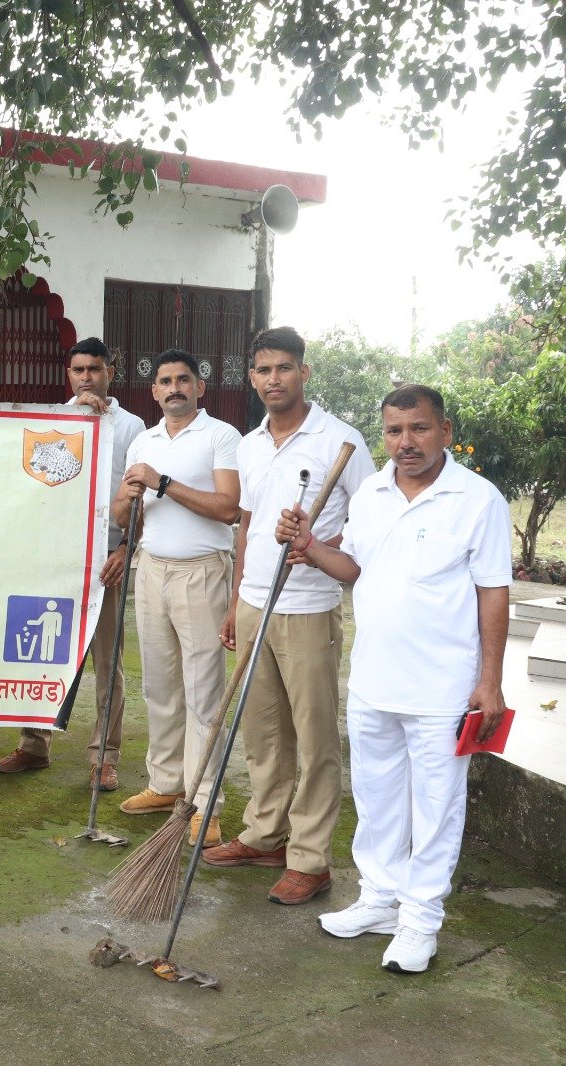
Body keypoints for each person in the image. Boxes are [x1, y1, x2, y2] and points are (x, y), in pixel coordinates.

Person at [278, 385, 510, 974]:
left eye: (419, 429)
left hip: (442, 689)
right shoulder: (374, 495)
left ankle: (419, 919)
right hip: (374, 680)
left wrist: (491, 682)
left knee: (436, 807)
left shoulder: (477, 499)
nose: (405, 443)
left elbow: (493, 594)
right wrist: (308, 547)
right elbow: (355, 567)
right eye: (394, 431)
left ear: (446, 431)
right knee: (378, 799)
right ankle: (379, 899)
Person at [203, 328, 374, 905]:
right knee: (263, 731)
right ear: (252, 378)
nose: (273, 379)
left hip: (308, 608)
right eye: (263, 370)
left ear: (304, 372)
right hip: (254, 602)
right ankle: (266, 833)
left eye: (284, 368)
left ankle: (310, 859)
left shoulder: (339, 440)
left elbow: (373, 523)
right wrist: (234, 604)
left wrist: (319, 543)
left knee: (315, 736)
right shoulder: (251, 445)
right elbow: (246, 527)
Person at [0, 337, 146, 791]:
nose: (86, 377)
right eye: (78, 370)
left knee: (107, 663)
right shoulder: (51, 421)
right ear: (69, 374)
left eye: (95, 369)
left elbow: (138, 497)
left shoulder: (132, 428)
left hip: (106, 561)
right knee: (45, 654)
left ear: (110, 372)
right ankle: (34, 744)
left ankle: (104, 757)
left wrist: (125, 551)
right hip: (57, 558)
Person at [115, 348, 241, 847]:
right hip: (150, 570)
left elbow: (229, 508)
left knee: (203, 691)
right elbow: (129, 519)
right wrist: (125, 503)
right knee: (160, 687)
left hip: (202, 573)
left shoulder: (220, 436)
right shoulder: (143, 442)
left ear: (199, 387)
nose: (174, 389)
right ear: (153, 391)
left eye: (183, 380)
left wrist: (162, 483)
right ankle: (166, 784)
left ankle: (204, 799)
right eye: (165, 381)